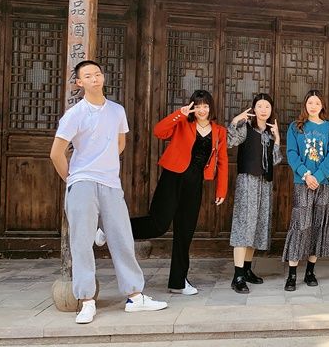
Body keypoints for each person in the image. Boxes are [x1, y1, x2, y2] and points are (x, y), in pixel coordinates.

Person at [50, 60, 167, 324]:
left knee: (122, 238)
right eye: (88, 76)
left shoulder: (116, 111)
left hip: (111, 184)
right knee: (81, 243)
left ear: (103, 77)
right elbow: (56, 153)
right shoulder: (75, 114)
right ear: (79, 82)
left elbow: (120, 143)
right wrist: (72, 179)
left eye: (97, 74)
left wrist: (104, 161)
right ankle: (86, 301)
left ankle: (135, 296)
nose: (94, 79)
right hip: (82, 182)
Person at [130, 90, 228, 295]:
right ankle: (112, 228)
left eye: (205, 106)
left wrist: (221, 189)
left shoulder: (219, 131)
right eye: (198, 106)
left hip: (195, 184)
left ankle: (178, 282)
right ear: (192, 107)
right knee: (158, 225)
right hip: (172, 178)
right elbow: (159, 131)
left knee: (185, 233)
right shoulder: (183, 123)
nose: (202, 110)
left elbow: (222, 161)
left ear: (211, 107)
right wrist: (179, 114)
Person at [283, 90, 329, 291]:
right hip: (303, 183)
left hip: (323, 184)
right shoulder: (295, 127)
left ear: (322, 105)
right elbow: (291, 153)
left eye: (317, 103)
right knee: (300, 225)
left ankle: (310, 271)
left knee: (317, 225)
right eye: (310, 102)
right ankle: (292, 274)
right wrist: (306, 175)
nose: (313, 106)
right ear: (305, 105)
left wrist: (319, 175)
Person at [226, 93, 282, 293]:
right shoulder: (246, 128)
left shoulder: (269, 133)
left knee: (257, 225)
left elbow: (276, 161)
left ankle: (247, 269)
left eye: (267, 106)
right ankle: (237, 276)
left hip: (264, 184)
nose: (263, 110)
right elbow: (229, 142)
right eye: (260, 106)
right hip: (248, 181)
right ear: (254, 109)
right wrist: (235, 121)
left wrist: (277, 139)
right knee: (244, 226)